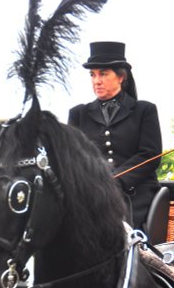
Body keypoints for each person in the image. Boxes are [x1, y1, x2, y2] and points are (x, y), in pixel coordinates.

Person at [68, 41, 162, 230]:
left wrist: (118, 179)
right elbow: (73, 158)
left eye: (103, 74)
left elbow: (150, 154)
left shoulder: (144, 110)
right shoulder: (78, 113)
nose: (97, 80)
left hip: (135, 195)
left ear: (121, 77)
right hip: (92, 195)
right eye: (92, 75)